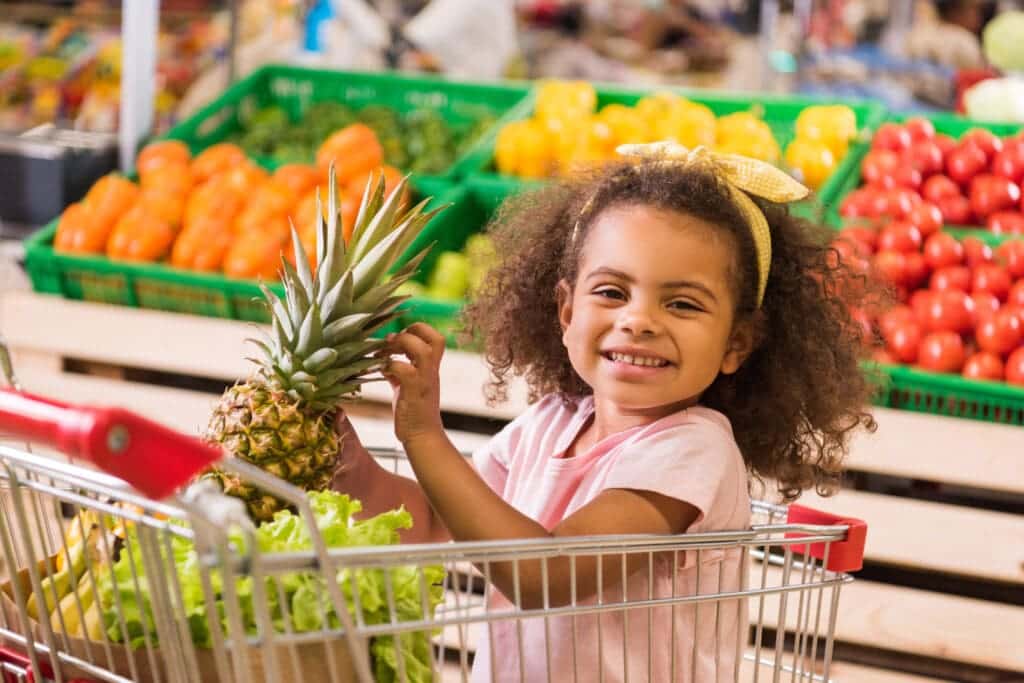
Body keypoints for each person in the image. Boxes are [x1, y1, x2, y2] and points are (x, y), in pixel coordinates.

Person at [332, 141, 877, 681]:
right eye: (612, 292)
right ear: (567, 312)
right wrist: (342, 454)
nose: (639, 320)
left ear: (736, 342)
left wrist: (425, 436)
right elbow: (427, 520)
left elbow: (545, 575)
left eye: (682, 303)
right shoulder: (549, 424)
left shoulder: (693, 449)